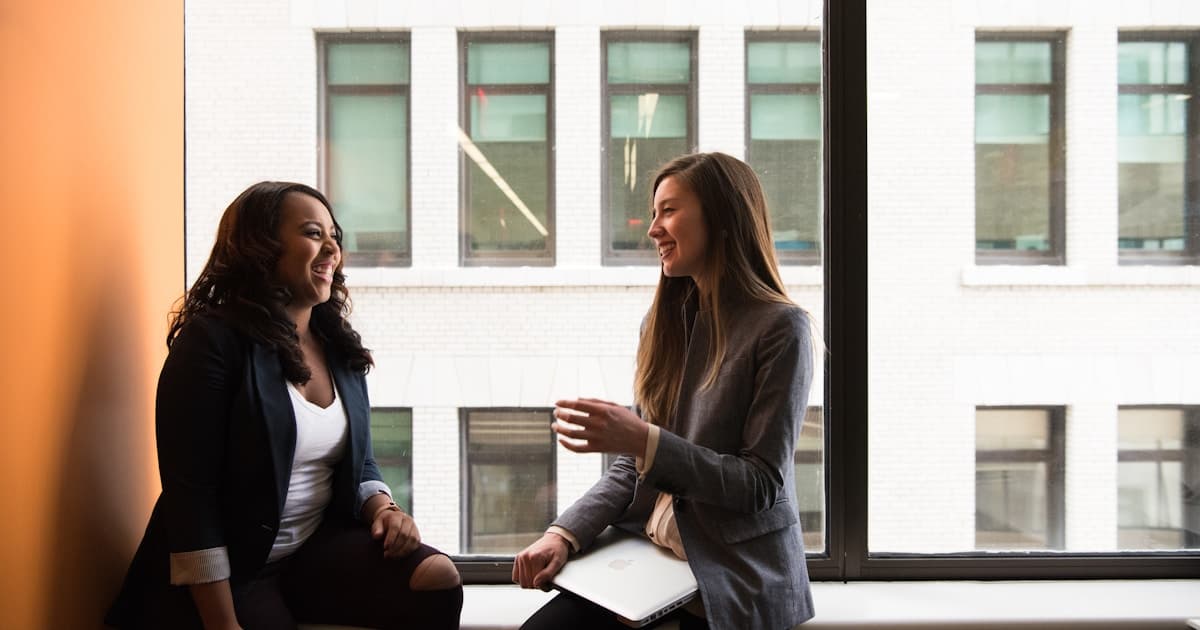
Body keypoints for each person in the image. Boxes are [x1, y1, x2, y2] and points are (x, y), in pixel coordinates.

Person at [106, 182, 463, 630]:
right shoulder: (212, 343)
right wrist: (223, 625)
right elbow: (191, 500)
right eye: (314, 233)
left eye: (334, 235)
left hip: (309, 553)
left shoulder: (337, 345)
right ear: (260, 247)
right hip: (229, 574)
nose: (332, 247)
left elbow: (359, 461)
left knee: (436, 579)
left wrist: (384, 510)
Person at [513, 152, 817, 630]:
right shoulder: (664, 325)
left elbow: (759, 485)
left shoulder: (782, 328)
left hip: (729, 571)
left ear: (722, 217)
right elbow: (631, 469)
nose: (653, 228)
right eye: (654, 213)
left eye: (669, 210)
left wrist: (644, 441)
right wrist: (564, 534)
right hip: (651, 559)